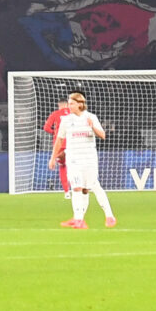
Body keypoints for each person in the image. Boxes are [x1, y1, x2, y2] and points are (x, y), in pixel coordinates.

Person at [53, 88, 116, 228]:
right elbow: (59, 139)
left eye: (72, 104)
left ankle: (109, 215)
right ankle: (78, 220)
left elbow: (103, 135)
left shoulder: (91, 117)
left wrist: (92, 127)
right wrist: (53, 158)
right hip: (73, 159)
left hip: (89, 159)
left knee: (89, 188)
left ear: (80, 104)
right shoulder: (66, 120)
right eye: (69, 103)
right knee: (76, 188)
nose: (69, 106)